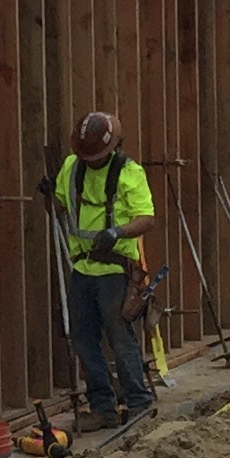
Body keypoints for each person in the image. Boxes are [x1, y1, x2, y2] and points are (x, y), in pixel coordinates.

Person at [53, 110, 157, 428]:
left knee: (120, 339)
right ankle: (103, 408)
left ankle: (139, 404)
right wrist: (50, 198)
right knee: (83, 340)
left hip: (114, 271)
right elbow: (60, 203)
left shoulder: (129, 173)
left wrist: (116, 233)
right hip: (81, 268)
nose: (91, 161)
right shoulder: (72, 168)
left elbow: (147, 218)